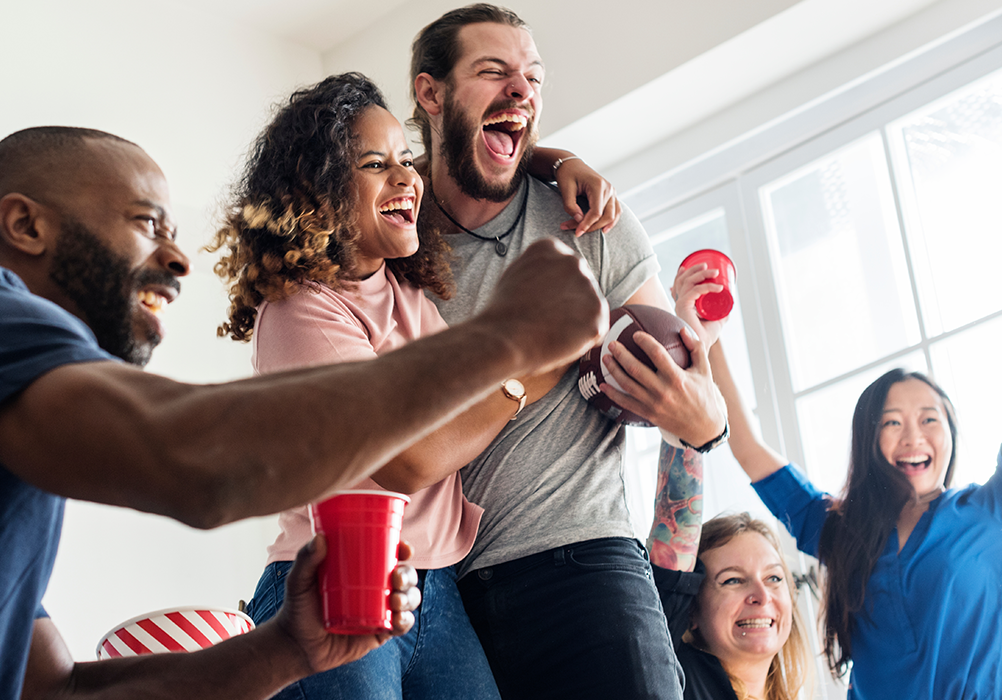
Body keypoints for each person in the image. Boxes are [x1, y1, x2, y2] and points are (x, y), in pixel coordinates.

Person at [0, 127, 610, 700]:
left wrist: (283, 648)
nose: (181, 260)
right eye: (149, 224)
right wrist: (506, 339)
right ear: (27, 225)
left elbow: (60, 694)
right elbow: (198, 459)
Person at [404, 5, 729, 698]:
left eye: (533, 78)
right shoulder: (393, 243)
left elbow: (696, 401)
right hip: (449, 601)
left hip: (590, 571)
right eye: (493, 72)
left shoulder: (592, 221)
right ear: (429, 93)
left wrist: (703, 421)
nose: (521, 91)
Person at [211, 72, 560, 699]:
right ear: (316, 193)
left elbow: (464, 164)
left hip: (433, 589)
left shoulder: (405, 292)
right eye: (377, 164)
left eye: (407, 160)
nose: (407, 178)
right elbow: (410, 459)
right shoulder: (300, 310)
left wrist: (559, 162)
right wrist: (522, 381)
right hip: (331, 583)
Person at [704, 279, 1002, 699]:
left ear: (951, 434)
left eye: (930, 419)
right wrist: (710, 337)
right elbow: (749, 449)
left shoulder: (989, 509)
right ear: (869, 439)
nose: (913, 436)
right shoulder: (842, 531)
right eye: (892, 422)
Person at [637, 267, 809, 700]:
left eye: (774, 579)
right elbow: (672, 540)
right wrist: (693, 347)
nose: (760, 595)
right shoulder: (673, 676)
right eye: (732, 580)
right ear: (691, 611)